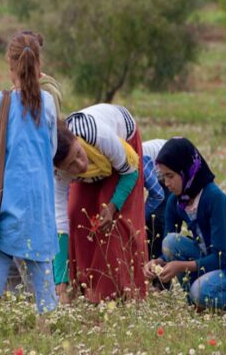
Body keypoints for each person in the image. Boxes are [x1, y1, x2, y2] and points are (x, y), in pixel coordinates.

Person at [0, 32, 58, 334]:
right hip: (39, 198)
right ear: (38, 66)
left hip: (8, 196)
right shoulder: (47, 103)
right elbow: (50, 149)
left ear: (10, 66)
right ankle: (44, 326)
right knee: (41, 263)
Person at [53, 104, 147, 303]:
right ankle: (84, 284)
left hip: (125, 154)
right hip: (98, 161)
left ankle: (119, 291)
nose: (80, 165)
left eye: (78, 154)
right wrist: (59, 279)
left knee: (112, 222)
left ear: (75, 139)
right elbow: (60, 222)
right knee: (75, 213)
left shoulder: (97, 134)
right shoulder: (57, 171)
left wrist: (113, 206)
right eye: (70, 165)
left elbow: (131, 172)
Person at [143, 138, 226, 311]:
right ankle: (195, 302)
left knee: (201, 290)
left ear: (187, 171)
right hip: (207, 260)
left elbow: (220, 257)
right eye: (163, 177)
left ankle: (223, 299)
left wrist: (180, 266)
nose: (166, 183)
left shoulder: (214, 197)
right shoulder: (176, 202)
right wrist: (157, 263)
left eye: (170, 176)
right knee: (169, 242)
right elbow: (168, 249)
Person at [142, 139, 168, 259]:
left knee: (156, 219)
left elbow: (158, 195)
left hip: (172, 168)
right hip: (158, 168)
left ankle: (160, 262)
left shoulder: (140, 162)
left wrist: (140, 217)